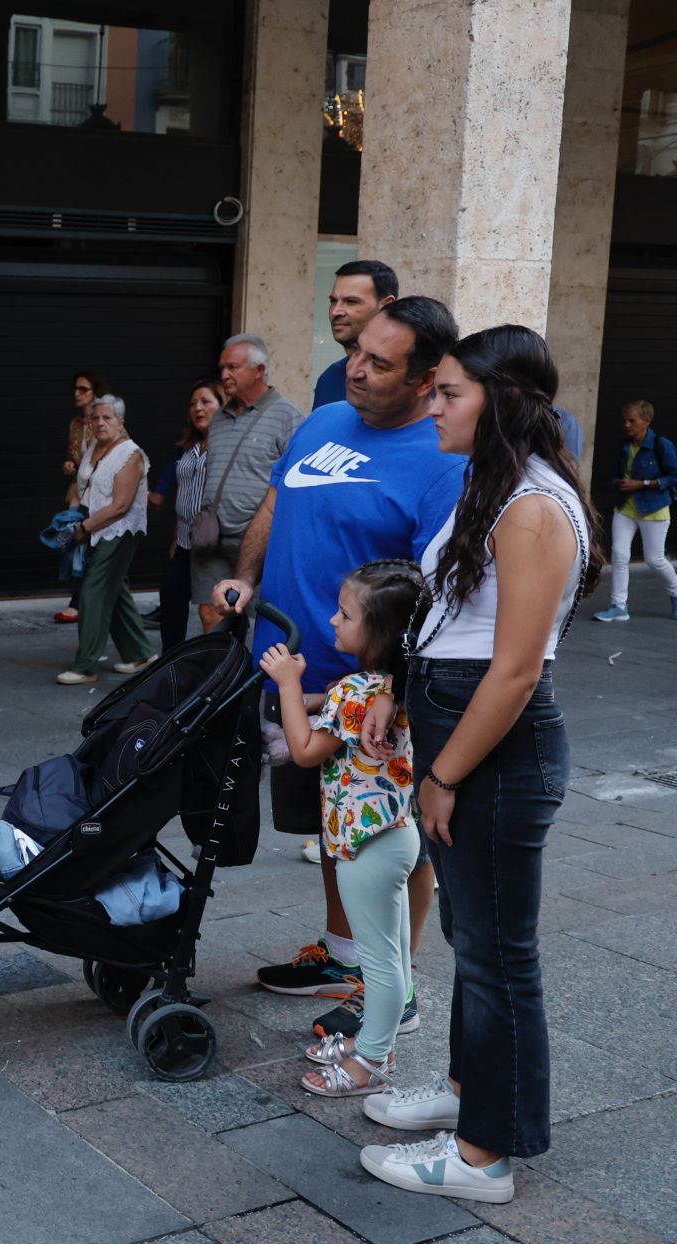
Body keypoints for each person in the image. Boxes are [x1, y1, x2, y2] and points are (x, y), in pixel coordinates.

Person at [359, 324, 602, 1205]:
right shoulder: (495, 487)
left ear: (498, 403)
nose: (432, 403)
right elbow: (451, 618)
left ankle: (482, 1155)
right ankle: (470, 1097)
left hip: (494, 749)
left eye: (450, 392)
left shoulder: (533, 505)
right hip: (466, 731)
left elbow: (514, 668)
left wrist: (445, 773)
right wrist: (397, 682)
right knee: (477, 938)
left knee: (498, 954)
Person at [216, 297, 466, 1041]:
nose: (354, 368)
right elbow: (275, 502)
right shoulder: (323, 419)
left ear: (426, 381)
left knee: (389, 837)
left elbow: (440, 593)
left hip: (370, 696)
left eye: (378, 363)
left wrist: (396, 685)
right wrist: (245, 578)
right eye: (356, 350)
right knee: (333, 827)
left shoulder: (442, 463)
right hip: (292, 673)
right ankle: (343, 953)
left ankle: (400, 981)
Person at [260, 560, 425, 1100]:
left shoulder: (355, 690)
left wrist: (288, 682)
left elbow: (306, 751)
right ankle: (379, 1041)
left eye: (345, 613)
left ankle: (372, 1058)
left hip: (361, 844)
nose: (332, 621)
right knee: (393, 954)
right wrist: (311, 697)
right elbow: (332, 717)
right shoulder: (396, 685)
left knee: (377, 961)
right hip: (395, 832)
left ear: (379, 632)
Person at [194, 336, 301, 635]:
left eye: (233, 367)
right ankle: (222, 679)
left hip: (257, 540)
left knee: (257, 622)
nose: (225, 375)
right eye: (222, 368)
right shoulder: (219, 419)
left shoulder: (286, 415)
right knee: (210, 613)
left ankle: (249, 678)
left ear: (259, 370)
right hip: (212, 538)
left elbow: (295, 481)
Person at [57, 396, 155, 685]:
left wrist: (83, 527)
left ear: (120, 421)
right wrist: (69, 519)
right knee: (116, 590)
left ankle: (86, 666)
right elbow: (80, 487)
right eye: (95, 418)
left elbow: (121, 506)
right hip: (91, 526)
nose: (100, 423)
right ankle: (140, 653)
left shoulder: (130, 454)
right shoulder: (92, 448)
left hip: (119, 530)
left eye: (107, 418)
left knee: (93, 591)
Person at [593, 399, 677, 622]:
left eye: (632, 421)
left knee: (654, 559)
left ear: (647, 421)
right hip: (626, 507)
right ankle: (618, 605)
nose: (626, 425)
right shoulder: (625, 446)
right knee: (619, 555)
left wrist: (643, 484)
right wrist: (619, 483)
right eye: (624, 421)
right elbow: (615, 474)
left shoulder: (661, 445)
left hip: (654, 509)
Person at [148, 379, 222, 649]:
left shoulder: (226, 446)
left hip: (214, 542)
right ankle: (171, 665)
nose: (198, 408)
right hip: (184, 540)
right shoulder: (188, 446)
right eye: (193, 403)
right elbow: (184, 492)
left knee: (210, 611)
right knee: (170, 599)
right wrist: (176, 538)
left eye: (206, 402)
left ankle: (218, 669)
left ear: (222, 406)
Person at [56, 371, 113, 623]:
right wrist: (69, 464)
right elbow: (74, 456)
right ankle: (78, 597)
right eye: (75, 388)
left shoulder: (108, 420)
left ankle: (82, 600)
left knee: (94, 545)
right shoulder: (75, 424)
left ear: (95, 393)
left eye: (83, 389)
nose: (76, 393)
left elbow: (120, 453)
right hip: (79, 490)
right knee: (73, 538)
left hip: (101, 493)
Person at [313, 260, 400, 409]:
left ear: (386, 306)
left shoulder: (406, 381)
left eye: (351, 301)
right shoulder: (330, 379)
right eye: (333, 301)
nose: (335, 312)